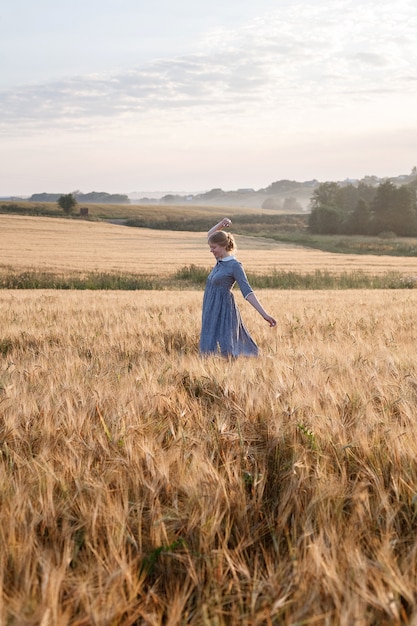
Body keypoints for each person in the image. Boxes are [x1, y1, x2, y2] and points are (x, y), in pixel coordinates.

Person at [199, 217, 276, 357]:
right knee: (208, 339)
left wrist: (264, 314)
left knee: (225, 343)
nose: (211, 251)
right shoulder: (220, 260)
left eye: (213, 247)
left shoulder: (235, 266)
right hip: (210, 306)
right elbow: (210, 234)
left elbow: (248, 292)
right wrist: (221, 224)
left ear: (223, 246)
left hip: (223, 308)